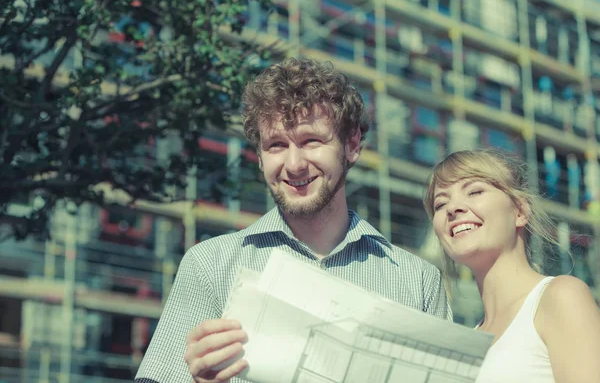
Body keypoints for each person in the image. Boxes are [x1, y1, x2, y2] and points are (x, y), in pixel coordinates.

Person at [135, 58, 452, 383]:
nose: (294, 164)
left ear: (352, 144)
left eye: (311, 141)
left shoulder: (418, 283)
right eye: (276, 145)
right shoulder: (209, 266)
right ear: (259, 157)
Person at [423, 149, 600, 383]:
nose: (452, 208)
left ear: (520, 211)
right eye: (440, 203)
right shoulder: (469, 340)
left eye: (474, 191)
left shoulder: (561, 297)